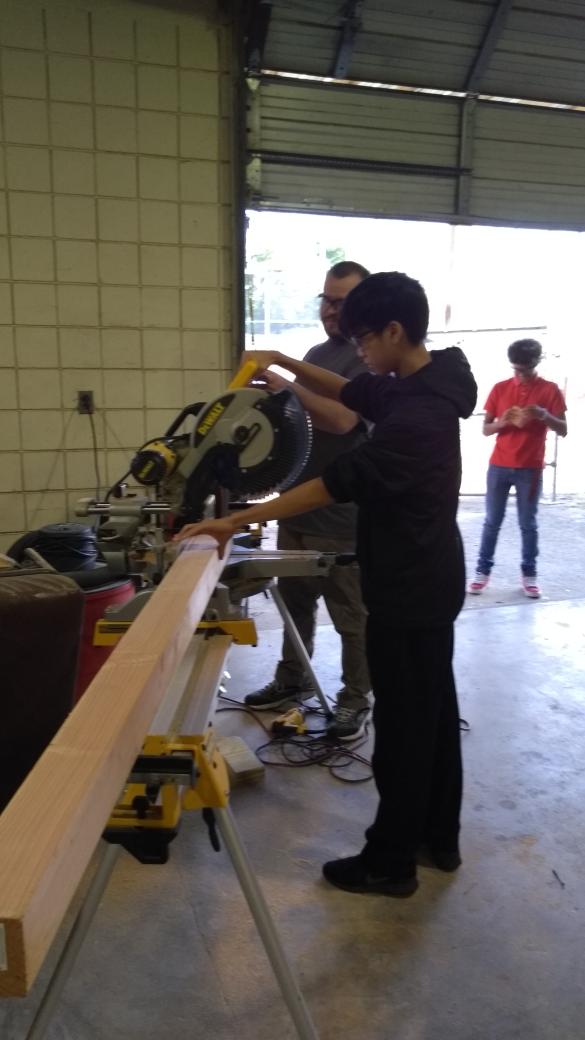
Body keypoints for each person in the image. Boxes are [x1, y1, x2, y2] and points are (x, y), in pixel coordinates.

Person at [175, 272, 478, 898]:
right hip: (428, 573)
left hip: (409, 584)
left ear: (394, 332)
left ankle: (389, 863)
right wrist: (282, 360)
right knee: (434, 714)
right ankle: (435, 840)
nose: (357, 348)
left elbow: (340, 482)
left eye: (364, 337)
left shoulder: (417, 416)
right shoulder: (422, 382)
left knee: (401, 729)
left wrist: (237, 518)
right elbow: (357, 392)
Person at [245, 260, 372, 743]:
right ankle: (291, 680)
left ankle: (355, 700)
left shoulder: (366, 361)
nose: (330, 310)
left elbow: (342, 420)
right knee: (294, 601)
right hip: (299, 502)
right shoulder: (320, 352)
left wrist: (288, 385)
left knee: (350, 616)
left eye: (341, 301)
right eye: (326, 299)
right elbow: (304, 416)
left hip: (342, 513)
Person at [469, 339, 567, 599]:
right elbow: (486, 429)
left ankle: (529, 575)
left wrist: (544, 415)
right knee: (492, 522)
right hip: (499, 465)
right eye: (516, 369)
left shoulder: (550, 390)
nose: (520, 374)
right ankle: (482, 571)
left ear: (537, 363)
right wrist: (503, 422)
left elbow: (564, 430)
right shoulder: (500, 389)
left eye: (525, 369)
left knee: (528, 524)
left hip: (530, 468)